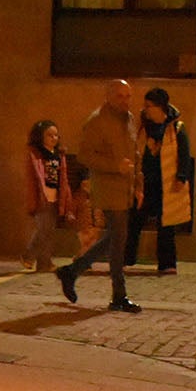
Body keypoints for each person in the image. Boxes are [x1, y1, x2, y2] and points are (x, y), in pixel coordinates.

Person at [55, 78, 142, 314]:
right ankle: (118, 295)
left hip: (125, 188)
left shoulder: (130, 119)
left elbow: (135, 154)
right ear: (109, 97)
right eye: (119, 96)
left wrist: (138, 185)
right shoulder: (96, 122)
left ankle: (73, 272)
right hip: (107, 186)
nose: (125, 101)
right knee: (118, 238)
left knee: (116, 238)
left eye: (128, 96)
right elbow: (84, 155)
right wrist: (115, 166)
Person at [124, 86, 193, 275]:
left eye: (149, 106)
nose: (145, 109)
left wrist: (181, 176)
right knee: (135, 219)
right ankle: (127, 258)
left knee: (166, 224)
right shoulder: (143, 126)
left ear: (160, 107)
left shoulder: (176, 128)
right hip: (145, 182)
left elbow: (184, 154)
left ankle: (167, 263)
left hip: (167, 182)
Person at [21, 119, 76, 271]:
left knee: (49, 231)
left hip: (55, 197)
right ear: (40, 137)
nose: (53, 138)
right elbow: (33, 178)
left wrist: (66, 199)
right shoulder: (36, 154)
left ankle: (44, 263)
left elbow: (63, 178)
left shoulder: (59, 155)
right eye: (49, 135)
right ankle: (28, 255)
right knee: (42, 229)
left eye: (56, 135)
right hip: (42, 197)